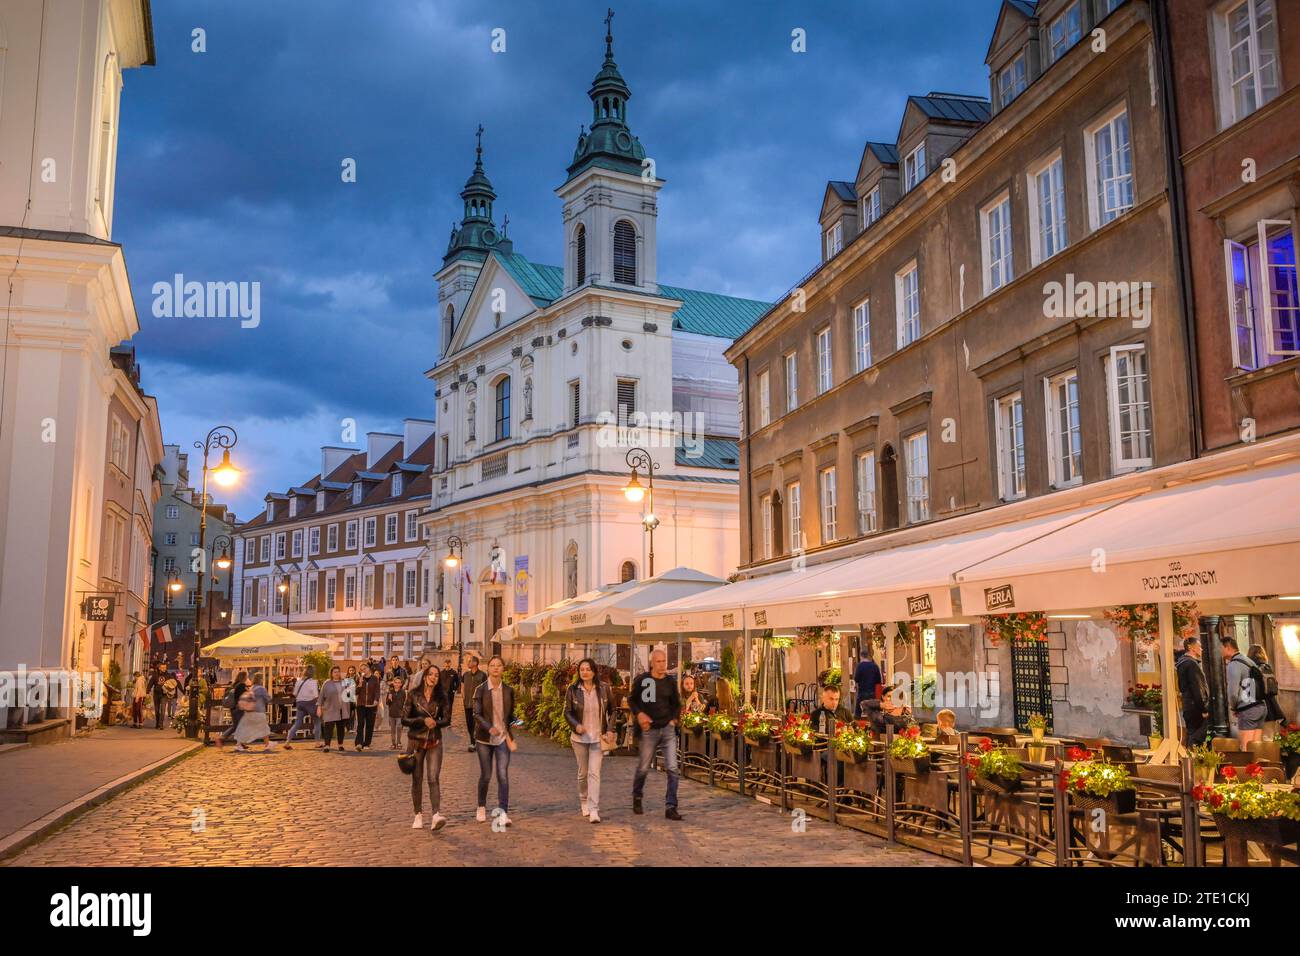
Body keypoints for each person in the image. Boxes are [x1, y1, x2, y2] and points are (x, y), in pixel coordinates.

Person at [629, 648, 683, 821]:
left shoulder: (670, 682)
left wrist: (674, 719)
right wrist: (639, 714)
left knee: (673, 768)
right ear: (652, 662)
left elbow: (677, 704)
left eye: (664, 661)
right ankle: (637, 796)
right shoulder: (643, 680)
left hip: (667, 729)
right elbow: (632, 699)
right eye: (659, 661)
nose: (662, 664)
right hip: (649, 730)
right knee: (643, 767)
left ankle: (671, 806)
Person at [564, 657, 614, 824]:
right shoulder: (573, 689)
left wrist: (610, 729)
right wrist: (576, 725)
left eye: (588, 669)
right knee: (583, 774)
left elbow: (613, 711)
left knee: (594, 773)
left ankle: (594, 809)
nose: (585, 672)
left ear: (594, 672)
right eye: (582, 669)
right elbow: (567, 712)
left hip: (598, 738)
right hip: (579, 738)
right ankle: (583, 799)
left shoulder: (604, 689)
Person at [403, 665, 451, 831]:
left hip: (434, 741)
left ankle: (436, 815)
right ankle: (418, 814)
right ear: (424, 677)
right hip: (416, 741)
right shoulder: (413, 694)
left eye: (436, 675)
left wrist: (436, 723)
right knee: (417, 779)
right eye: (430, 674)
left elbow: (447, 719)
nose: (433, 677)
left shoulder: (442, 696)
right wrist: (421, 721)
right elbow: (404, 719)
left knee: (433, 778)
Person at [471, 655, 517, 826]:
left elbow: (511, 716)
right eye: (492, 665)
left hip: (503, 738)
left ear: (503, 669)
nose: (496, 668)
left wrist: (519, 722)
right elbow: (476, 714)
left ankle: (503, 812)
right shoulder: (481, 690)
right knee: (486, 774)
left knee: (503, 775)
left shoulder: (509, 690)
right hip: (484, 739)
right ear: (488, 668)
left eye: (499, 665)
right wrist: (489, 727)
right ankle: (481, 806)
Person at [1222, 635, 1268, 748]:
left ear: (1228, 648)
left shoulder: (1234, 665)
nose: (1219, 652)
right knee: (1256, 748)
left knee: (1246, 748)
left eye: (1220, 648)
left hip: (1248, 710)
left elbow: (1232, 692)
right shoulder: (1248, 661)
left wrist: (1234, 707)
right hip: (1261, 707)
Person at [1176, 636, 1211, 747]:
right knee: (1197, 737)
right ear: (1191, 648)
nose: (1202, 649)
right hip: (1195, 707)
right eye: (1199, 646)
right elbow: (1197, 688)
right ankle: (1193, 761)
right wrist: (1203, 709)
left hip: (1189, 706)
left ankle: (1190, 759)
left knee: (1192, 734)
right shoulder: (1191, 664)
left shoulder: (1183, 663)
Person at [1247, 644, 1289, 725]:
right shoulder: (1267, 667)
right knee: (1269, 736)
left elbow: (1251, 694)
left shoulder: (1252, 669)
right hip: (1272, 709)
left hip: (1258, 709)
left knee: (1257, 737)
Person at [232, 675, 276, 753]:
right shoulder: (261, 689)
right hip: (259, 711)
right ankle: (267, 745)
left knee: (244, 728)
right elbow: (268, 699)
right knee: (264, 728)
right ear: (261, 680)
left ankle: (238, 744)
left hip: (249, 711)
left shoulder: (251, 688)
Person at [283, 667, 320, 749]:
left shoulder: (299, 681)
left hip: (300, 704)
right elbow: (315, 695)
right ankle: (317, 743)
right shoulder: (313, 682)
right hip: (310, 703)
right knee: (317, 721)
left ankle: (287, 742)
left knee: (297, 723)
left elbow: (295, 693)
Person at [317, 666, 351, 752]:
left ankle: (340, 745)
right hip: (330, 709)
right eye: (335, 672)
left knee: (340, 728)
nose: (337, 673)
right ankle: (327, 745)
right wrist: (319, 707)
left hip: (341, 709)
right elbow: (321, 696)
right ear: (331, 674)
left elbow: (349, 695)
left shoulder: (344, 682)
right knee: (329, 728)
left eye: (338, 672)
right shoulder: (327, 683)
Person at [461, 655, 487, 753]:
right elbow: (462, 686)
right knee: (469, 723)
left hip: (478, 704)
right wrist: (463, 697)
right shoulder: (465, 675)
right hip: (467, 704)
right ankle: (473, 741)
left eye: (469, 661)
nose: (467, 663)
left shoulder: (482, 675)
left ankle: (475, 743)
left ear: (475, 663)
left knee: (477, 724)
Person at [354, 663, 380, 751]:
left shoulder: (375, 678)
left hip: (371, 705)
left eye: (364, 668)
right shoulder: (359, 679)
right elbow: (356, 692)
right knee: (360, 724)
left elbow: (377, 690)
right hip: (361, 705)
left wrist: (376, 700)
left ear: (368, 669)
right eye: (361, 669)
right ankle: (359, 743)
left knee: (370, 725)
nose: (363, 670)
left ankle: (367, 743)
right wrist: (359, 684)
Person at [219, 671, 249, 743]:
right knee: (238, 726)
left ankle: (240, 743)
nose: (247, 678)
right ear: (244, 677)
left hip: (233, 708)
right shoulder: (242, 685)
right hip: (238, 708)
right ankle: (222, 738)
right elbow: (243, 696)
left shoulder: (235, 684)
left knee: (238, 726)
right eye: (246, 676)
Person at [853, 648, 883, 716]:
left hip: (862, 692)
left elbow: (856, 679)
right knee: (873, 710)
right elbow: (879, 681)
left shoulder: (859, 666)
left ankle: (858, 724)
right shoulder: (875, 666)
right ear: (868, 656)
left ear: (861, 656)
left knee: (858, 711)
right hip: (872, 692)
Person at [386, 675, 407, 750]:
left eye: (399, 683)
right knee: (392, 729)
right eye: (396, 682)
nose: (397, 684)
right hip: (392, 714)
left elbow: (405, 702)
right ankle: (393, 743)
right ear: (393, 683)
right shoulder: (390, 692)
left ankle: (399, 742)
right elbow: (387, 703)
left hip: (400, 714)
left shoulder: (403, 692)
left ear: (401, 684)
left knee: (399, 728)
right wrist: (389, 699)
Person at [342, 666, 358, 732]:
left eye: (352, 670)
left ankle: (351, 728)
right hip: (347, 698)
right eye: (350, 670)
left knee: (352, 714)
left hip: (354, 697)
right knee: (347, 713)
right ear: (348, 671)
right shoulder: (345, 679)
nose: (351, 672)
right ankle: (347, 727)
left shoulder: (357, 678)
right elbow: (343, 688)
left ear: (354, 671)